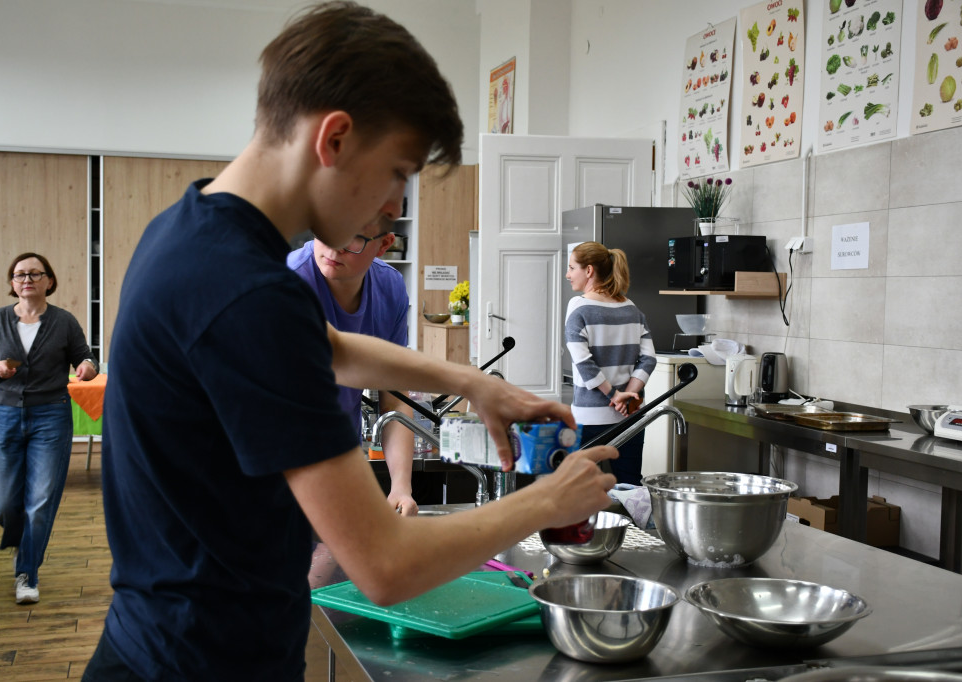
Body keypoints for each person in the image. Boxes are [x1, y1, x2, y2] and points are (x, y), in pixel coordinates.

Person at [83, 3, 616, 680]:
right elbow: (385, 563)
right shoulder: (249, 294)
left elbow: (329, 347)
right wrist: (548, 500)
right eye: (398, 172)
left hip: (163, 643)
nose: (394, 205)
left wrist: (477, 384)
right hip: (198, 664)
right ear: (333, 140)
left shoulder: (190, 229)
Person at [0, 252, 98, 604]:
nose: (27, 279)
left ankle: (27, 571)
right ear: (12, 284)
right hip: (6, 415)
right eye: (19, 274)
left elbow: (86, 358)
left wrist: (87, 367)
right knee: (0, 500)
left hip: (51, 416)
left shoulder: (64, 321)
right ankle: (22, 540)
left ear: (49, 281)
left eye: (34, 273)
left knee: (40, 500)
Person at [288, 225, 419, 516]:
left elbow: (394, 397)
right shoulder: (288, 282)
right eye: (327, 231)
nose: (334, 250)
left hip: (340, 463)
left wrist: (401, 486)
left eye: (353, 240)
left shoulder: (390, 288)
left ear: (384, 244)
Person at [564, 241, 656, 486]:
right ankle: (627, 526)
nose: (568, 274)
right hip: (630, 416)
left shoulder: (578, 307)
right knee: (630, 488)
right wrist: (628, 395)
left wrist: (615, 395)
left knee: (577, 489)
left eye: (572, 268)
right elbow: (648, 359)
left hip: (589, 417)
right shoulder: (632, 309)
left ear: (589, 271)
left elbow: (584, 363)